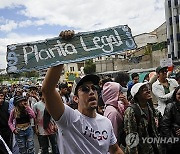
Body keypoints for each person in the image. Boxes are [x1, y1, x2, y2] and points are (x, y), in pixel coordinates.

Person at [42, 63, 124, 153]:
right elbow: (47, 90)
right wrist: (61, 58)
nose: (91, 92)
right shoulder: (69, 118)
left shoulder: (106, 122)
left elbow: (115, 150)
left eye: (94, 88)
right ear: (76, 98)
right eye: (85, 89)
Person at [124, 82, 162, 154]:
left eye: (148, 89)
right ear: (137, 95)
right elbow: (131, 136)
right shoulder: (131, 111)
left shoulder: (149, 107)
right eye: (144, 90)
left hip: (152, 148)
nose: (148, 91)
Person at [160, 86, 180, 154]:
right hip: (175, 141)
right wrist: (169, 143)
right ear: (175, 95)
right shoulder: (170, 106)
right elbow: (165, 126)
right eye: (179, 94)